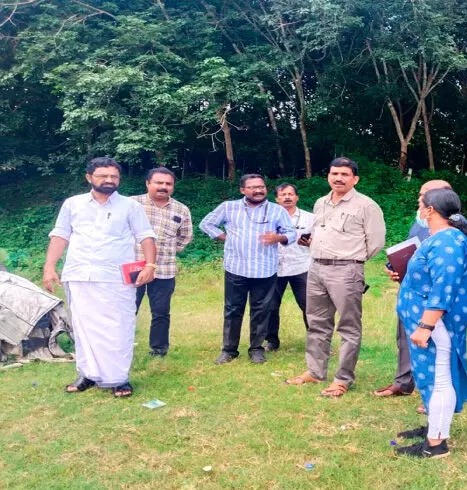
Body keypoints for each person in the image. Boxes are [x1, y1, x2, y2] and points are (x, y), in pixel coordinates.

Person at [43, 157, 157, 398]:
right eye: (103, 176)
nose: (109, 180)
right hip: (79, 274)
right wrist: (49, 267)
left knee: (118, 326)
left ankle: (119, 378)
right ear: (89, 177)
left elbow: (146, 236)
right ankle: (87, 374)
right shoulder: (73, 204)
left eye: (114, 176)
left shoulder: (130, 206)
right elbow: (60, 235)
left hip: (116, 277)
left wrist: (150, 264)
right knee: (84, 327)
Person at [286, 157, 386, 397]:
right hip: (316, 268)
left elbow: (376, 242)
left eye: (344, 174)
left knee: (348, 327)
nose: (338, 178)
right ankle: (315, 371)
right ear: (328, 176)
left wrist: (351, 259)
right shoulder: (321, 203)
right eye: (334, 173)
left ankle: (343, 378)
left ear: (355, 179)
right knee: (317, 323)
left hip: (346, 271)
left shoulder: (366, 205)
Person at [394, 188, 467, 458]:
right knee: (429, 377)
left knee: (440, 379)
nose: (418, 208)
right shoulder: (439, 238)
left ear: (430, 209)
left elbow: (444, 288)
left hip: (436, 325)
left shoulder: (448, 241)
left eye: (420, 204)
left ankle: (436, 444)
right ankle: (434, 426)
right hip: (425, 321)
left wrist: (426, 326)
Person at [200, 174, 296, 365]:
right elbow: (206, 224)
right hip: (236, 268)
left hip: (265, 269)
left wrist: (278, 238)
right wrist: (225, 237)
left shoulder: (277, 210)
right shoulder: (229, 207)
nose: (258, 190)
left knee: (261, 310)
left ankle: (256, 349)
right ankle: (229, 350)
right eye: (252, 187)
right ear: (242, 190)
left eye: (261, 186)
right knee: (233, 310)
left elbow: (291, 233)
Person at [374, 179, 451, 402]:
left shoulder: (454, 225)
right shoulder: (420, 221)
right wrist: (395, 268)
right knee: (406, 336)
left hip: (434, 296)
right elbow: (411, 251)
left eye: (424, 195)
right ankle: (404, 382)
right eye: (420, 194)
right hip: (410, 291)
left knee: (438, 341)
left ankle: (438, 393)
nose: (419, 199)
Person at [132, 167, 193, 357]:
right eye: (159, 183)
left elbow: (185, 236)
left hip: (164, 268)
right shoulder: (132, 204)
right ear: (148, 183)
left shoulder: (181, 209)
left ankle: (159, 349)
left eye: (168, 184)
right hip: (133, 266)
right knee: (127, 309)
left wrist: (168, 251)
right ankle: (120, 345)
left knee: (161, 312)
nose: (163, 187)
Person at [265, 183, 314, 352]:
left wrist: (310, 242)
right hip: (273, 267)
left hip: (301, 266)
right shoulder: (267, 217)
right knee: (270, 306)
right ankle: (271, 341)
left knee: (309, 306)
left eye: (290, 194)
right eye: (283, 194)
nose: (287, 197)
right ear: (276, 199)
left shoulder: (310, 218)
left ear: (297, 197)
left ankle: (318, 342)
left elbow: (321, 240)